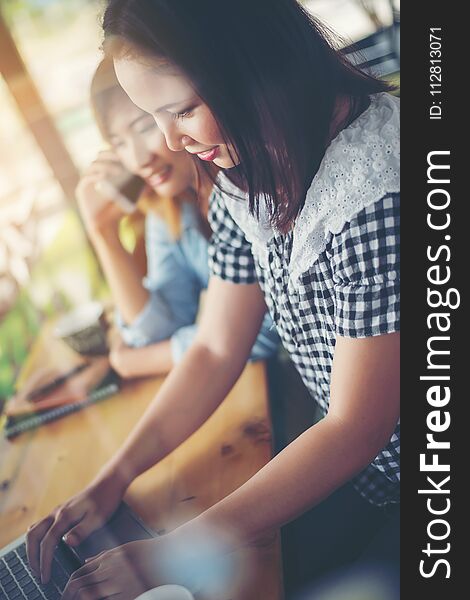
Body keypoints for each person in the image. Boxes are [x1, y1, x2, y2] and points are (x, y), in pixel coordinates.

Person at [27, 1, 400, 598]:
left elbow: (359, 424)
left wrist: (176, 552)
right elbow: (215, 345)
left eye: (183, 110)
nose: (171, 141)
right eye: (157, 116)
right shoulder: (244, 167)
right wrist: (113, 478)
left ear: (254, 65)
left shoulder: (379, 185)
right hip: (368, 476)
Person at [77, 58, 279, 378]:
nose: (139, 159)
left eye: (144, 127)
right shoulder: (170, 210)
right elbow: (160, 326)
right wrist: (103, 232)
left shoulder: (249, 190)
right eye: (118, 143)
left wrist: (138, 362)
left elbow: (263, 331)